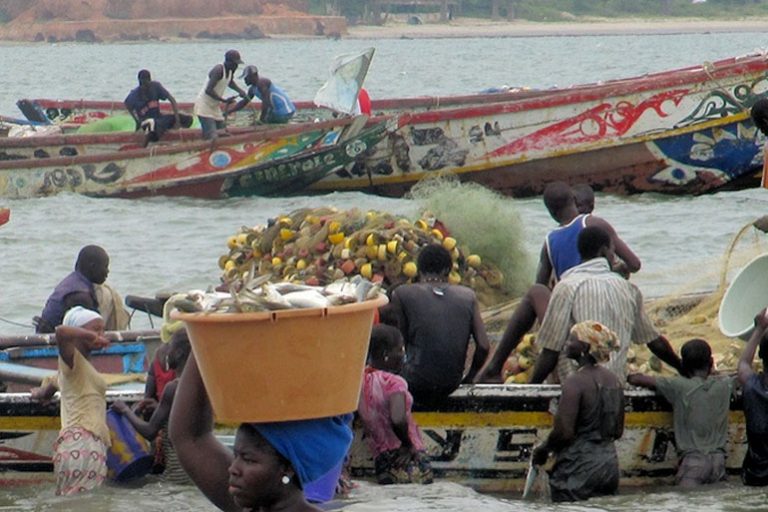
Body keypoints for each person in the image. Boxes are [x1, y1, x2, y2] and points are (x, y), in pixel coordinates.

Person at [474, 182, 640, 383]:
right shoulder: (595, 224)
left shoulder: (549, 241)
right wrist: (615, 269)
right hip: (604, 322)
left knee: (536, 292)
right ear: (574, 200)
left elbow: (541, 286)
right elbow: (634, 263)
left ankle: (494, 368)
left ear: (551, 212)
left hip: (571, 327)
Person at [168, 352, 353, 512]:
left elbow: (191, 438)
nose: (233, 468)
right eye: (236, 455)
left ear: (288, 468)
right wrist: (201, 335)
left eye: (249, 459)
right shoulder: (252, 505)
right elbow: (190, 436)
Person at [528, 226, 682, 384]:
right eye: (612, 251)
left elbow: (550, 351)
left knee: (536, 294)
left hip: (576, 385)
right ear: (603, 251)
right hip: (615, 386)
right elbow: (654, 342)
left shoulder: (567, 286)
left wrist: (530, 388)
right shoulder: (628, 288)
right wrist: (682, 368)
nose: (614, 257)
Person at [531, 321, 624, 502]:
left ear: (585, 347)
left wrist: (543, 450)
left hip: (578, 469)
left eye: (572, 340)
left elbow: (564, 432)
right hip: (609, 468)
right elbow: (618, 431)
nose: (567, 343)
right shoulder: (614, 381)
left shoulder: (575, 382)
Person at [388, 243, 489, 406]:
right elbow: (484, 346)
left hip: (415, 383)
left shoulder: (402, 293)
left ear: (419, 271)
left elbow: (402, 340)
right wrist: (470, 377)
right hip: (451, 383)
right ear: (448, 271)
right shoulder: (468, 296)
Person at [627, 338, 734, 487]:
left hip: (693, 463)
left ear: (683, 365)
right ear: (711, 363)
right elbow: (741, 374)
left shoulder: (678, 386)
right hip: (719, 462)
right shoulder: (724, 386)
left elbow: (636, 379)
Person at [30, 306, 111, 495]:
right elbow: (61, 331)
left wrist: (41, 393)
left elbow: (55, 383)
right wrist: (92, 337)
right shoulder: (71, 361)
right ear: (78, 333)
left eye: (102, 329)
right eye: (94, 329)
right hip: (82, 441)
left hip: (84, 445)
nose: (101, 334)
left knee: (76, 504)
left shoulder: (76, 367)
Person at [111, 329, 192, 484]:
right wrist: (158, 407)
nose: (166, 353)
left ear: (179, 353)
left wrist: (125, 410)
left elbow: (149, 432)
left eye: (170, 348)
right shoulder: (200, 384)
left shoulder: (173, 387)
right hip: (197, 475)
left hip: (177, 476)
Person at [358, 324, 433, 485]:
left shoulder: (360, 381)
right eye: (400, 350)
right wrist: (407, 445)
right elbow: (397, 418)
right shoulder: (394, 382)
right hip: (407, 456)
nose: (403, 355)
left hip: (382, 461)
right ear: (386, 354)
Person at [36, 245, 128, 333]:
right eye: (105, 267)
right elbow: (94, 329)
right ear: (93, 267)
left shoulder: (72, 281)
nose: (108, 271)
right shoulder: (81, 296)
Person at [737, 308, 768, 486]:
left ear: (761, 356)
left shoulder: (752, 387)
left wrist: (758, 330)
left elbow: (743, 363)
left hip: (755, 477)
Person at [124, 69, 193, 146]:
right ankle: (143, 146)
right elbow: (127, 104)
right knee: (152, 123)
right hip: (146, 120)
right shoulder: (135, 94)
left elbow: (172, 100)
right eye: (142, 84)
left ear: (150, 80)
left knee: (187, 119)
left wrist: (177, 120)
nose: (145, 86)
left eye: (146, 83)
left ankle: (172, 136)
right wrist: (137, 120)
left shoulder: (155, 87)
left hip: (158, 118)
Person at [193, 49, 248, 140]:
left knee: (223, 133)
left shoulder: (230, 70)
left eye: (237, 64)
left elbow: (229, 81)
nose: (236, 66)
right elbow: (208, 90)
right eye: (235, 63)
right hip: (204, 106)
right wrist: (224, 100)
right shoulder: (218, 70)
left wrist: (240, 91)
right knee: (212, 136)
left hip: (214, 106)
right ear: (228, 61)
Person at [226, 65, 296, 124]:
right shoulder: (252, 89)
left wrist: (261, 120)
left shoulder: (262, 82)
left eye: (247, 78)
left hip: (285, 112)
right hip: (276, 112)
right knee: (256, 123)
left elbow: (266, 103)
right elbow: (244, 102)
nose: (245, 80)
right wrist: (229, 112)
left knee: (259, 124)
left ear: (254, 76)